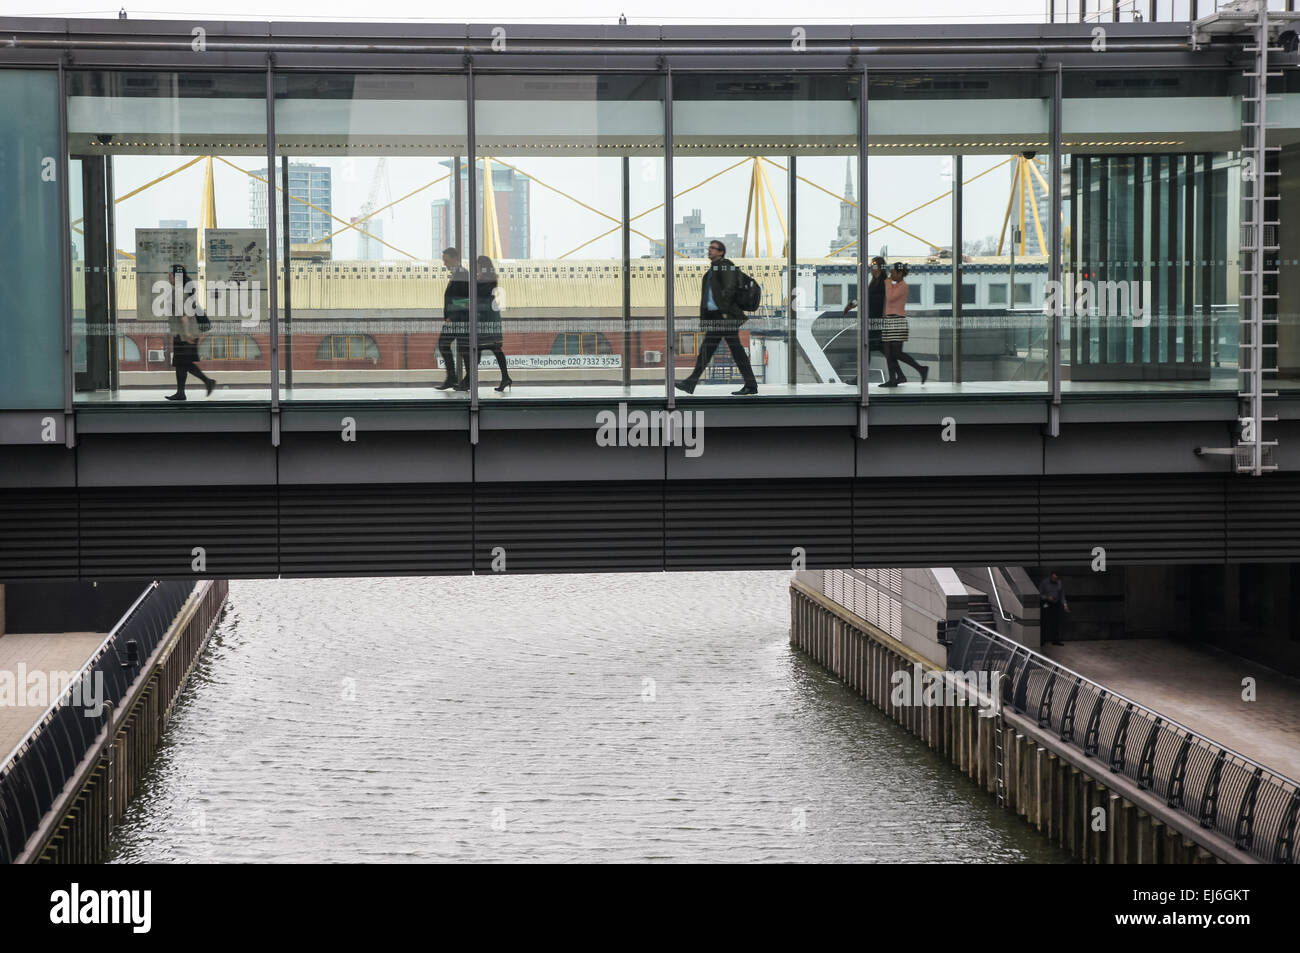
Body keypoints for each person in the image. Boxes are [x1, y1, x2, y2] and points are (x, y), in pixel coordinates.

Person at [675, 240, 759, 397]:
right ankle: (691, 382)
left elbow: (730, 287)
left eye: (713, 248)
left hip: (724, 316)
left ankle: (750, 384)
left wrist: (725, 311)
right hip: (717, 317)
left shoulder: (725, 266)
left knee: (728, 350)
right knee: (710, 350)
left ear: (721, 252)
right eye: (709, 248)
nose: (710, 250)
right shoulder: (711, 271)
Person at [459, 255, 512, 393]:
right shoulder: (486, 278)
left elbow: (477, 295)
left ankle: (468, 381)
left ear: (482, 266)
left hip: (486, 316)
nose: (476, 268)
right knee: (488, 348)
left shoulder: (487, 279)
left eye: (477, 265)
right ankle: (503, 378)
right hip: (486, 316)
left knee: (486, 347)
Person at [165, 265, 216, 401]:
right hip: (184, 333)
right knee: (180, 362)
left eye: (170, 275)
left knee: (184, 362)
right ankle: (181, 392)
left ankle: (207, 381)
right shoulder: (183, 290)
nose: (168, 278)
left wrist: (187, 334)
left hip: (185, 334)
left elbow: (184, 316)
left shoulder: (179, 292)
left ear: (176, 277)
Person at [879, 261, 930, 388]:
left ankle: (920, 369)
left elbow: (890, 298)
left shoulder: (903, 286)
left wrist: (887, 282)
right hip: (889, 320)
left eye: (893, 273)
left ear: (900, 273)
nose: (891, 276)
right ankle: (895, 378)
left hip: (897, 320)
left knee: (896, 353)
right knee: (888, 353)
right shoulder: (894, 285)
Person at [437, 247, 470, 391]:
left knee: (457, 347)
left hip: (459, 319)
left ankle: (459, 379)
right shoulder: (458, 274)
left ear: (455, 258)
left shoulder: (462, 274)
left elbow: (466, 300)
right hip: (455, 319)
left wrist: (452, 316)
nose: (445, 264)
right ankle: (455, 378)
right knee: (460, 348)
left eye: (446, 260)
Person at [1038, 571, 1070, 646]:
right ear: (1051, 577)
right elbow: (1039, 594)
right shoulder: (1044, 583)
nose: (1055, 579)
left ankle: (1055, 640)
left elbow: (1062, 594)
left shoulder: (1059, 583)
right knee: (1044, 622)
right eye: (1053, 578)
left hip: (1056, 603)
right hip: (1046, 603)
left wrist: (1065, 605)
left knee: (1056, 622)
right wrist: (1047, 597)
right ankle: (1042, 640)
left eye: (1056, 578)